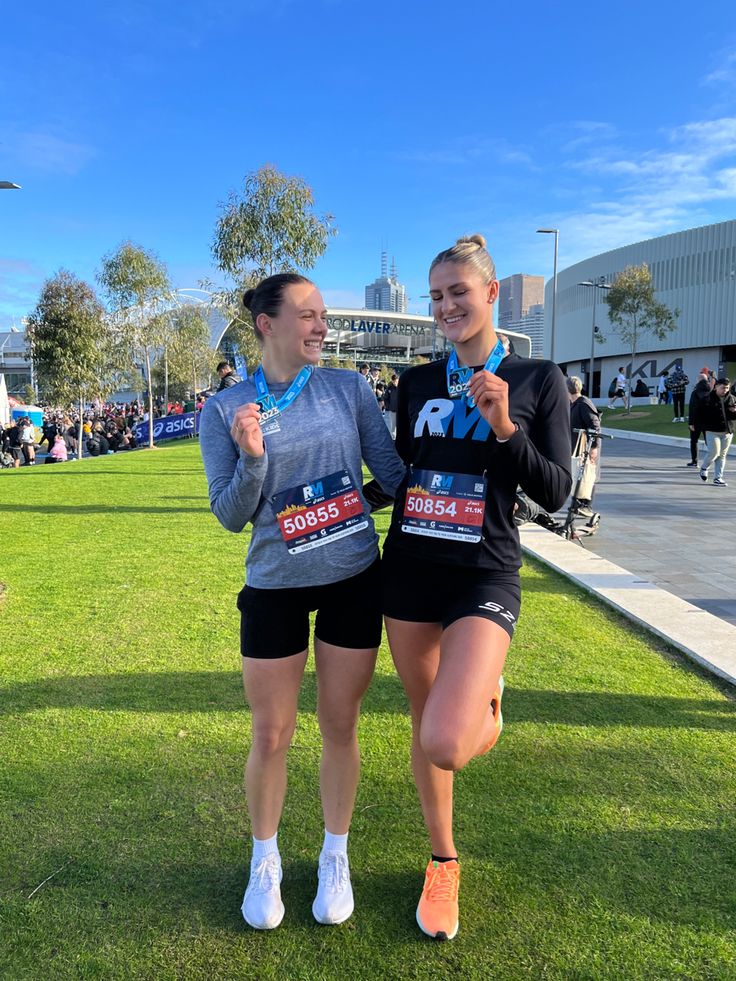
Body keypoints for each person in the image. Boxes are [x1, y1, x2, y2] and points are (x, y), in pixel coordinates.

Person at [199, 273, 405, 931]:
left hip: (351, 578)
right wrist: (252, 456)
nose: (322, 326)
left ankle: (334, 855)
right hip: (273, 587)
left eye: (323, 316)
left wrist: (355, 504)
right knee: (272, 731)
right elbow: (230, 514)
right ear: (267, 322)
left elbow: (396, 474)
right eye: (309, 315)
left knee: (339, 724)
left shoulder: (347, 389)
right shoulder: (224, 408)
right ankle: (266, 860)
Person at [381, 235, 571, 941]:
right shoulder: (417, 385)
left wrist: (504, 428)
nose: (445, 306)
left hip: (486, 571)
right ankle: (443, 858)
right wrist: (323, 499)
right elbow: (402, 473)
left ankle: (487, 697)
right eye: (435, 296)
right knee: (424, 724)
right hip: (409, 571)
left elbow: (554, 493)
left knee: (450, 737)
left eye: (457, 291)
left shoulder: (537, 378)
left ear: (492, 295)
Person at [567, 375, 601, 517]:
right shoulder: (574, 404)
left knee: (587, 474)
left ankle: (586, 505)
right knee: (577, 474)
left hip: (586, 447)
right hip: (577, 447)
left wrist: (594, 448)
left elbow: (595, 426)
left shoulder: (583, 403)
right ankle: (576, 503)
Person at [697, 377, 736, 486]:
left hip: (727, 431)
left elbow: (733, 416)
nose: (725, 390)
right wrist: (695, 424)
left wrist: (734, 411)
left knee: (722, 455)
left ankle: (718, 478)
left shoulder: (732, 399)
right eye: (723, 388)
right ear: (716, 387)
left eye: (727, 388)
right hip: (711, 431)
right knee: (714, 452)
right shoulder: (707, 399)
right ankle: (704, 467)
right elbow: (699, 413)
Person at [687, 367, 714, 467]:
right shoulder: (711, 392)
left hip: (697, 421)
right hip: (708, 421)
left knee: (694, 441)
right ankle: (713, 459)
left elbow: (692, 408)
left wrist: (690, 422)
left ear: (698, 381)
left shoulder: (695, 393)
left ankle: (695, 461)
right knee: (710, 442)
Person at [384, 373, 400, 438]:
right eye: (394, 381)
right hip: (392, 410)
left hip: (401, 410)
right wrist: (388, 406)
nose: (395, 383)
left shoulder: (403, 387)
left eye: (396, 381)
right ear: (392, 381)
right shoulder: (390, 388)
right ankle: (394, 438)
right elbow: (386, 398)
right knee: (393, 426)